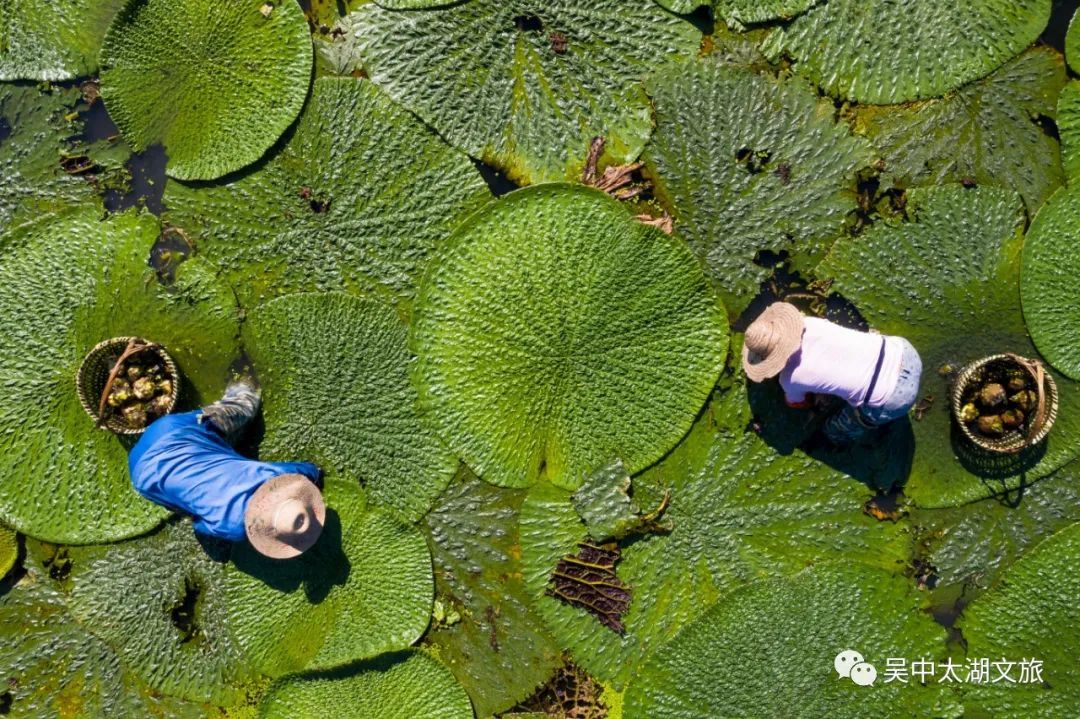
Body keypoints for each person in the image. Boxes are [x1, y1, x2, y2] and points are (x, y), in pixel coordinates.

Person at [128, 379, 325, 559]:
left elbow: (303, 472)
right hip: (142, 476)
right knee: (183, 506)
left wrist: (315, 473)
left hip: (169, 433)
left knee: (243, 406)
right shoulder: (232, 528)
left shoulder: (271, 476)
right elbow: (200, 525)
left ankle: (243, 384)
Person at [742, 302, 923, 447]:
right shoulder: (810, 323)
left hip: (895, 399)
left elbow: (798, 403)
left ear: (769, 359)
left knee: (833, 431)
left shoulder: (789, 379)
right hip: (904, 353)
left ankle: (862, 429)